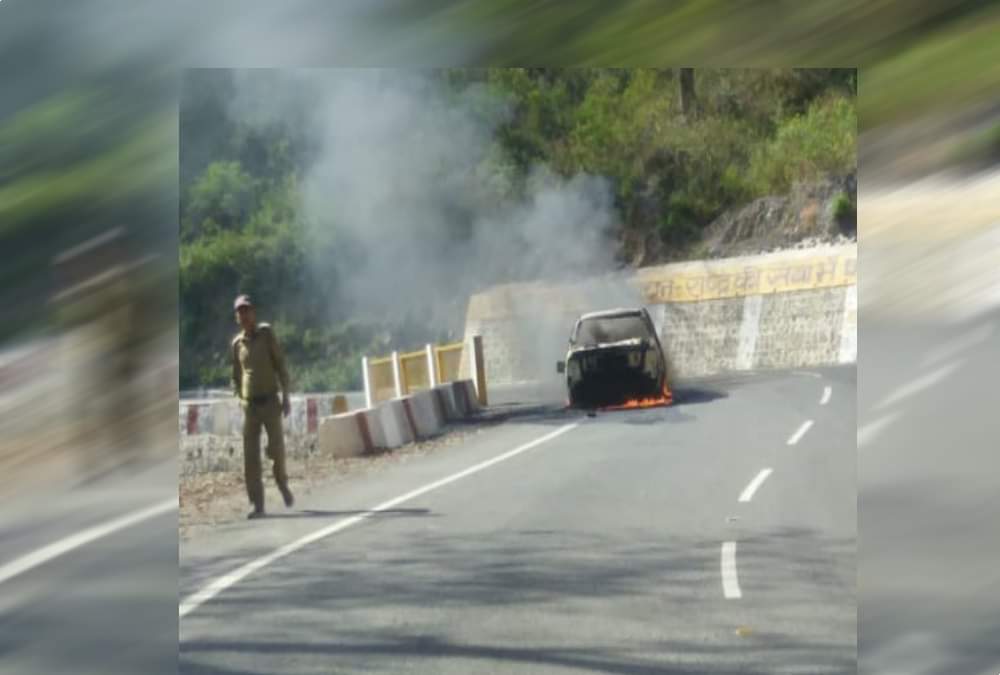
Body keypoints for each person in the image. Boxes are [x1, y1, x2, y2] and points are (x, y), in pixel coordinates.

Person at [230, 294, 294, 519]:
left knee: (276, 450)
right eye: (240, 312)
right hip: (250, 407)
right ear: (236, 317)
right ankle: (257, 504)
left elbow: (280, 365)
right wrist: (240, 398)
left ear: (254, 312)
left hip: (270, 402)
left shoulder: (266, 334)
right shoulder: (237, 344)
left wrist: (286, 396)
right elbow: (236, 377)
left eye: (247, 310)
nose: (244, 315)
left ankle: (282, 483)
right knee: (250, 457)